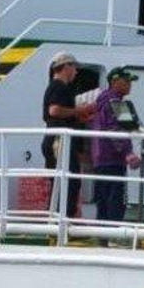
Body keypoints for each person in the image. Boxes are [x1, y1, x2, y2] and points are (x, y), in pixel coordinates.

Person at [42, 51, 95, 217]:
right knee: (68, 183)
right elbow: (54, 110)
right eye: (74, 67)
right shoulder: (59, 86)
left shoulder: (57, 87)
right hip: (59, 141)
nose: (76, 71)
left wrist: (79, 115)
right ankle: (63, 224)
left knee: (63, 182)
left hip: (57, 140)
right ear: (66, 66)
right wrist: (79, 110)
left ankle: (60, 223)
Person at [91, 67, 143, 229]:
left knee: (103, 200)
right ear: (114, 81)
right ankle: (111, 235)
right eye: (126, 81)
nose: (130, 85)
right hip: (112, 159)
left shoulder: (103, 100)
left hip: (100, 158)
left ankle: (103, 238)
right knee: (115, 200)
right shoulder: (116, 102)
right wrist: (128, 153)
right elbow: (116, 129)